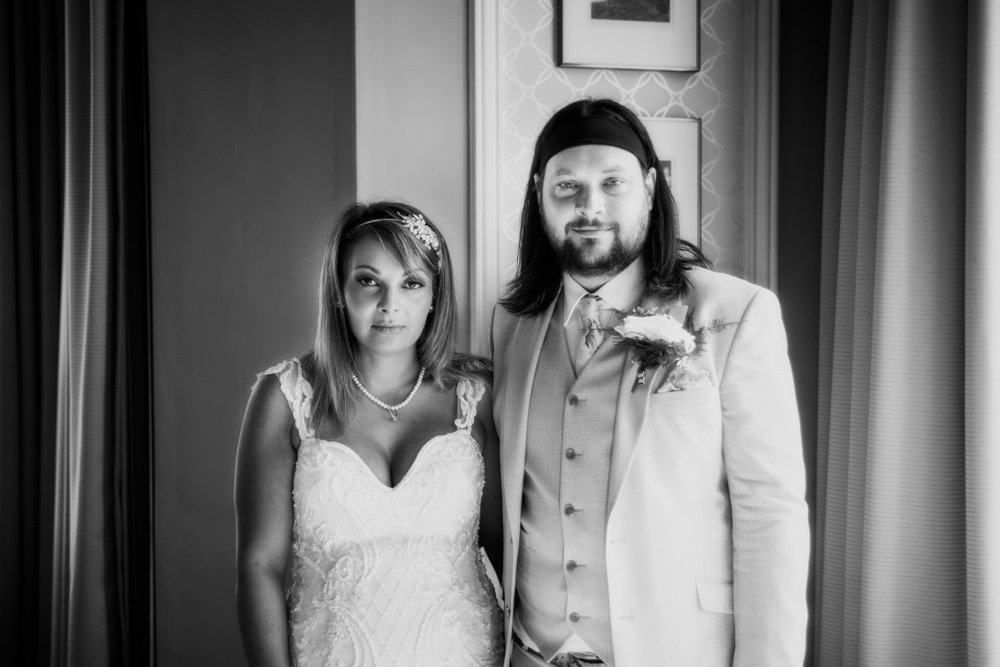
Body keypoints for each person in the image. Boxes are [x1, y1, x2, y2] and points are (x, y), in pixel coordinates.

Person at [491, 99, 810, 666]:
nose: (590, 207)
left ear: (648, 185)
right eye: (567, 186)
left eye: (612, 183)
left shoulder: (736, 313)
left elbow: (770, 514)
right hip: (532, 655)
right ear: (539, 193)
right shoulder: (510, 323)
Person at [235, 201, 504, 666]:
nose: (389, 304)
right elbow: (260, 566)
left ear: (435, 296)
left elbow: (509, 551)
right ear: (339, 290)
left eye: (412, 283)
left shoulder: (476, 399)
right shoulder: (284, 398)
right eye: (368, 280)